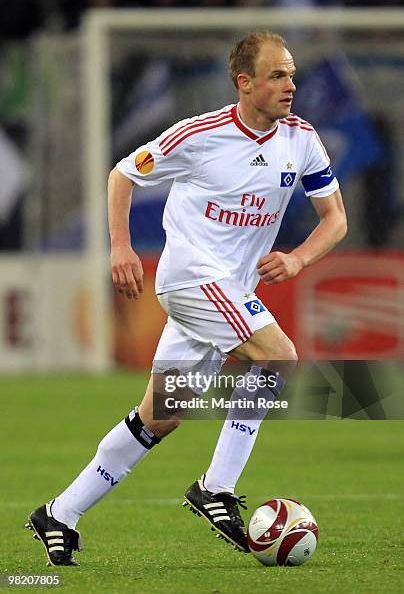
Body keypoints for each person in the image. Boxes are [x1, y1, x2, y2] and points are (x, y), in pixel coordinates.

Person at [26, 30, 347, 566]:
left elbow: (335, 218)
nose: (291, 83)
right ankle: (217, 487)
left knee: (159, 416)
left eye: (292, 73)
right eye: (277, 75)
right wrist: (122, 248)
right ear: (245, 83)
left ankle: (60, 514)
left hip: (229, 289)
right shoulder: (200, 135)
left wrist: (296, 259)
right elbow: (122, 175)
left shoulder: (301, 139)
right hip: (191, 278)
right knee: (280, 356)